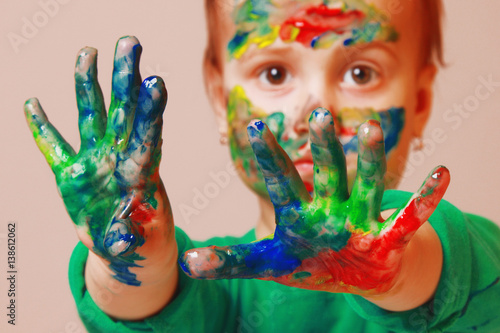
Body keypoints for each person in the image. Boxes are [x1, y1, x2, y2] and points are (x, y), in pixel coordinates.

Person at [23, 0, 500, 332]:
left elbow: (460, 280)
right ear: (218, 98)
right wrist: (133, 257)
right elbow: (153, 312)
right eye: (274, 73)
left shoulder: (457, 262)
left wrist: (398, 273)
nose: (317, 107)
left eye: (361, 73)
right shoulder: (216, 294)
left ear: (419, 102)